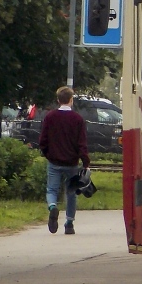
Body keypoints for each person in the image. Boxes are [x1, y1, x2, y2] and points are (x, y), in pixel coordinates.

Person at [38, 86, 89, 235]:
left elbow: (43, 140)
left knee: (52, 189)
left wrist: (48, 153)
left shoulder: (50, 117)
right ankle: (69, 223)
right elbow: (82, 143)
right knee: (71, 192)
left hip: (54, 161)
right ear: (71, 100)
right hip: (72, 163)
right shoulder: (77, 119)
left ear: (58, 100)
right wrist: (85, 161)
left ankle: (53, 207)